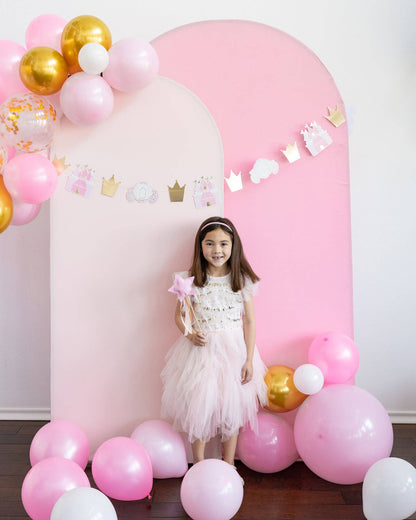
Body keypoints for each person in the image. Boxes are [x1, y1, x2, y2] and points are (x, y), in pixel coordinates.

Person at [161, 216, 268, 467]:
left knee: (231, 407)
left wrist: (249, 358)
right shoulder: (189, 281)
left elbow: (249, 322)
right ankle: (198, 464)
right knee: (199, 406)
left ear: (233, 246)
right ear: (200, 246)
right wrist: (189, 333)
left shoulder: (240, 280)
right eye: (209, 244)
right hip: (200, 352)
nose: (217, 250)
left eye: (223, 244)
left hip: (233, 352)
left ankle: (228, 463)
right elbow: (180, 315)